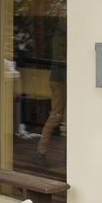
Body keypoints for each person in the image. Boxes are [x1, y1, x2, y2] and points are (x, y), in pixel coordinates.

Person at [35, 24, 66, 166]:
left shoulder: (59, 33)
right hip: (60, 79)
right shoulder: (62, 34)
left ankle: (42, 151)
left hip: (60, 79)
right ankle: (41, 152)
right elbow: (62, 57)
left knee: (57, 115)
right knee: (56, 115)